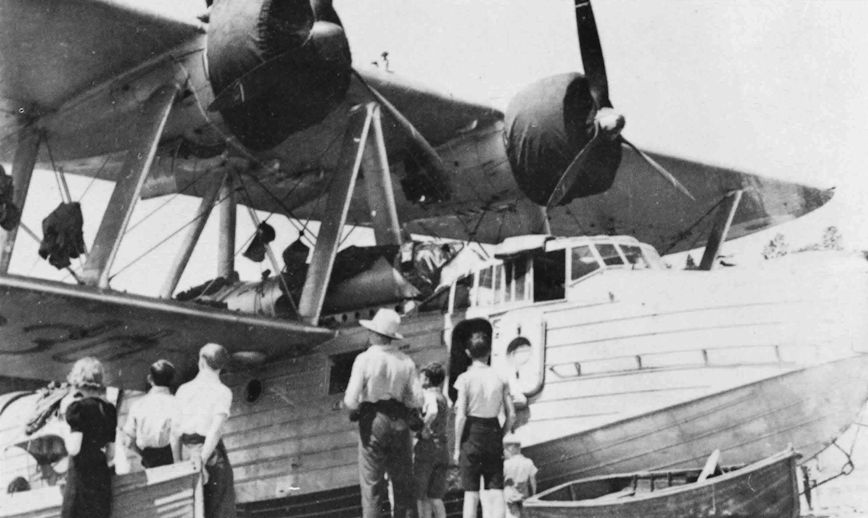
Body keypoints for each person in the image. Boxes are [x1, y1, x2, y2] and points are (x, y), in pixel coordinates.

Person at [343, 308, 422, 518]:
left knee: (372, 485)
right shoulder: (406, 361)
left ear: (376, 334)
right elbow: (416, 399)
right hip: (400, 419)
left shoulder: (364, 359)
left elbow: (350, 399)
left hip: (372, 419)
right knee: (403, 483)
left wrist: (357, 408)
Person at [454, 330, 515, 518]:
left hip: (471, 433)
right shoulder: (500, 377)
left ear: (467, 353)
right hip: (493, 429)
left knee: (471, 493)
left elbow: (461, 416)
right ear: (489, 351)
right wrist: (501, 434)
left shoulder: (464, 379)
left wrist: (456, 447)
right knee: (496, 490)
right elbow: (511, 415)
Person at [172, 344, 236, 518]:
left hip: (187, 452)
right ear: (221, 366)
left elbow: (174, 432)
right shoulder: (223, 392)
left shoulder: (183, 390)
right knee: (218, 510)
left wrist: (178, 464)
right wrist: (201, 461)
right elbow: (215, 431)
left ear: (201, 361)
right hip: (211, 456)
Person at [60, 357, 118, 518]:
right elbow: (111, 454)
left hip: (81, 476)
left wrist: (64, 429)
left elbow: (74, 448)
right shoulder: (109, 409)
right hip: (101, 476)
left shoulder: (77, 408)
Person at [122, 359, 176, 469]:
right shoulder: (176, 403)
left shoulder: (138, 405)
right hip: (172, 458)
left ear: (150, 379)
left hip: (149, 460)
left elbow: (128, 442)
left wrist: (144, 456)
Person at [414, 362, 449, 518]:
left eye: (421, 377)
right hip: (442, 446)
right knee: (434, 496)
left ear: (427, 379)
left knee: (420, 495)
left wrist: (423, 428)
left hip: (427, 448)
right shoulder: (443, 397)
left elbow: (433, 411)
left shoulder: (428, 394)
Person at [502, 435, 537, 518]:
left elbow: (500, 481)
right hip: (524, 494)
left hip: (510, 496)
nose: (504, 451)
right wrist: (534, 495)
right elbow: (533, 481)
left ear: (511, 449)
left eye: (505, 449)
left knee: (513, 515)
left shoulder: (506, 464)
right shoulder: (528, 462)